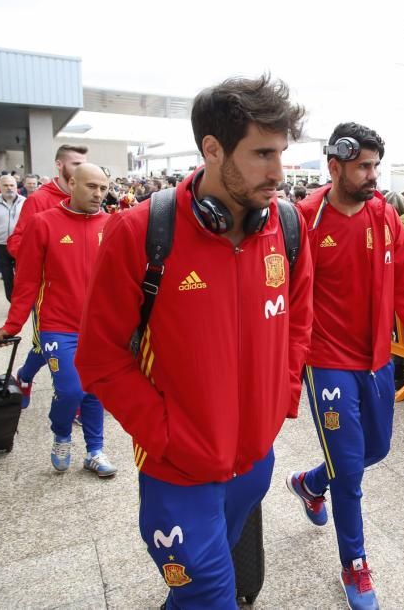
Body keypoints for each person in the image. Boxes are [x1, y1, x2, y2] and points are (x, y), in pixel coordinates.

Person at [76, 75, 312, 609]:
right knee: (210, 591)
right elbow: (98, 357)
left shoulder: (289, 227)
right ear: (211, 148)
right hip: (176, 470)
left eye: (282, 152)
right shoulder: (140, 231)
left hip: (255, 460)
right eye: (262, 154)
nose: (279, 172)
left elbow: (299, 322)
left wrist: (280, 403)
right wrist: (166, 436)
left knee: (202, 587)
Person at [287, 122, 404, 610]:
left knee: (375, 449)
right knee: (350, 472)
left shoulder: (384, 216)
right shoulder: (304, 218)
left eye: (376, 165)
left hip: (375, 361)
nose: (373, 175)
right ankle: (355, 565)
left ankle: (311, 483)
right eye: (363, 167)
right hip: (325, 361)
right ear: (335, 166)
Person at [0, 164, 114, 477]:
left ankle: (95, 451)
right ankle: (61, 435)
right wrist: (12, 324)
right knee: (72, 390)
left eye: (103, 188)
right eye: (91, 187)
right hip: (58, 326)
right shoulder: (43, 224)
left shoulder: (112, 224)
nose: (98, 194)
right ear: (71, 183)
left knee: (95, 390)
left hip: (99, 329)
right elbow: (27, 281)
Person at [6, 144, 88, 408]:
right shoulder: (39, 200)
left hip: (82, 291)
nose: (81, 168)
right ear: (60, 166)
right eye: (75, 163)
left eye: (83, 163)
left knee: (77, 343)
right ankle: (66, 397)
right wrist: (49, 254)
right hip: (48, 293)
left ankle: (27, 376)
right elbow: (17, 242)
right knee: (48, 344)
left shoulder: (88, 196)